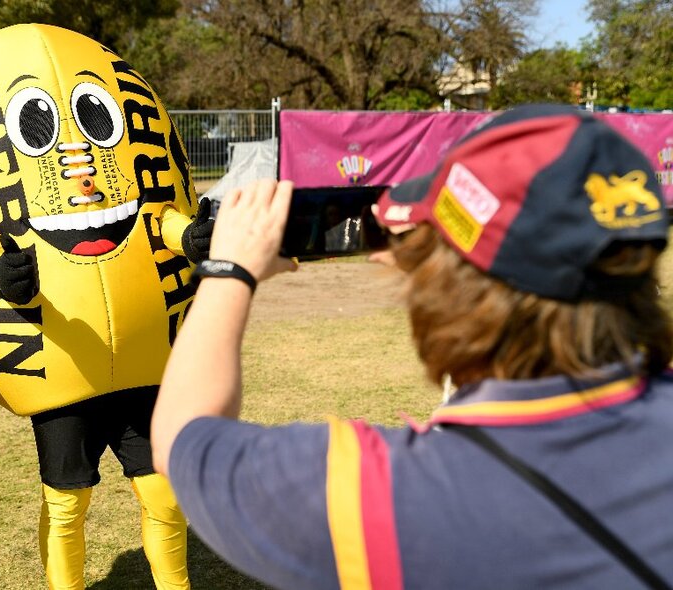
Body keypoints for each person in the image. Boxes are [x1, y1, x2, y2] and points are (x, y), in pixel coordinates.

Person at [151, 104, 673, 589]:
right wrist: (444, 258)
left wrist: (229, 272)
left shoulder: (394, 497)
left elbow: (182, 437)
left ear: (460, 290)